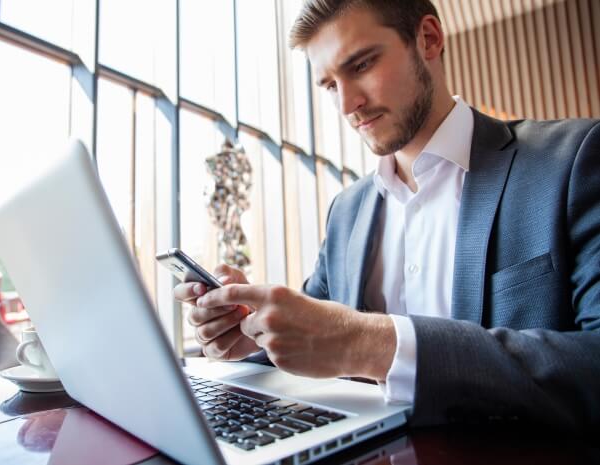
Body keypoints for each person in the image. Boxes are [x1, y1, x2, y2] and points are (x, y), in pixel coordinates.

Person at [174, 0, 600, 431]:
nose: (347, 104)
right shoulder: (347, 213)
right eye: (328, 85)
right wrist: (247, 331)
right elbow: (311, 335)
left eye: (360, 65)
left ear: (429, 39)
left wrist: (367, 344)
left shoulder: (570, 161)